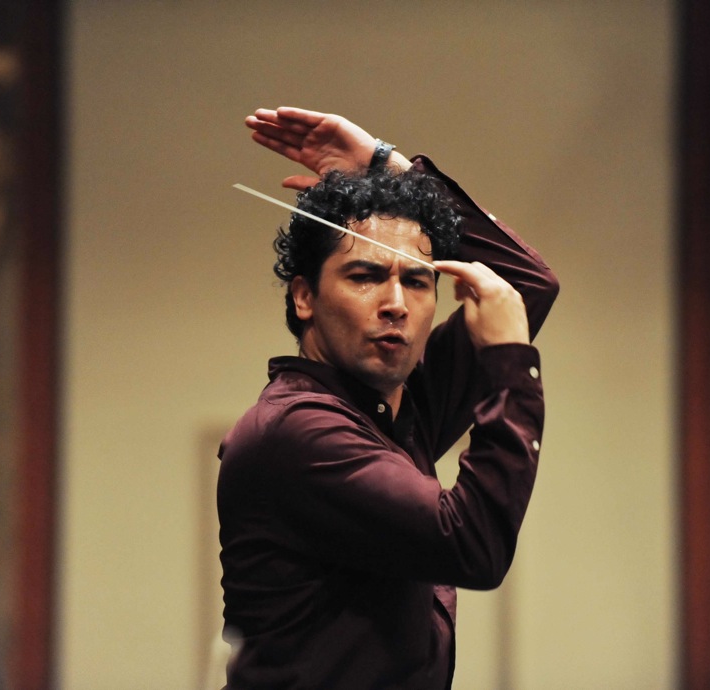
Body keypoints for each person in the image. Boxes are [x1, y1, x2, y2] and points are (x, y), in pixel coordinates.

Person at [217, 106, 559, 689]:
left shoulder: (400, 405)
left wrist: (388, 168)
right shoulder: (297, 430)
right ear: (304, 297)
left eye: (417, 281)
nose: (396, 303)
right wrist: (508, 361)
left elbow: (524, 284)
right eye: (365, 276)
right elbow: (471, 545)